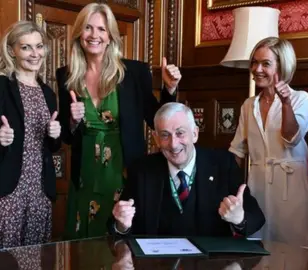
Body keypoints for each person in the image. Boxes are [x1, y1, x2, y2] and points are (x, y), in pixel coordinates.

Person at [57, 3, 180, 239]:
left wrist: (169, 88)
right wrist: (72, 121)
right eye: (88, 28)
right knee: (84, 241)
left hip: (123, 170)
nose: (95, 35)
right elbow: (66, 135)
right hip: (85, 174)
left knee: (120, 239)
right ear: (79, 33)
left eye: (101, 29)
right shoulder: (67, 74)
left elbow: (156, 120)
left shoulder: (134, 72)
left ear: (111, 35)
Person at [111, 102, 265, 237]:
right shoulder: (142, 170)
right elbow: (117, 225)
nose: (174, 144)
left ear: (195, 134)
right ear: (156, 138)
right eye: (165, 135)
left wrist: (240, 219)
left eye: (180, 133)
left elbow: (257, 219)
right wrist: (122, 226)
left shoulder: (222, 164)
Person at [229, 37, 308, 247]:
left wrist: (285, 103)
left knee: (294, 249)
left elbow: (291, 138)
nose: (257, 69)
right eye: (254, 62)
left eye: (265, 64)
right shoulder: (249, 105)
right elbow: (237, 151)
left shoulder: (301, 99)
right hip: (257, 186)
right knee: (256, 247)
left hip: (291, 186)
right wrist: (227, 189)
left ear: (282, 66)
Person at [0, 21, 61, 248]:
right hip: (9, 190)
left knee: (35, 258)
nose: (35, 54)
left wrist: (55, 134)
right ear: (12, 51)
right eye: (26, 47)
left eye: (39, 46)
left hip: (40, 191)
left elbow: (51, 147)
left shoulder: (48, 92)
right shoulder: (2, 86)